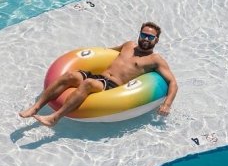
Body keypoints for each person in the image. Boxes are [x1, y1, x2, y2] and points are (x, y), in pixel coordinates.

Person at [18, 21, 179, 126]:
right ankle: (35, 107)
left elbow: (173, 83)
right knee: (70, 76)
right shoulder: (128, 45)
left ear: (157, 40)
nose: (146, 39)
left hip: (112, 86)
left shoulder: (155, 60)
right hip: (99, 76)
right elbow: (107, 52)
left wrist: (167, 104)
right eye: (143, 35)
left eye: (150, 37)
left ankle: (55, 118)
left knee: (88, 84)